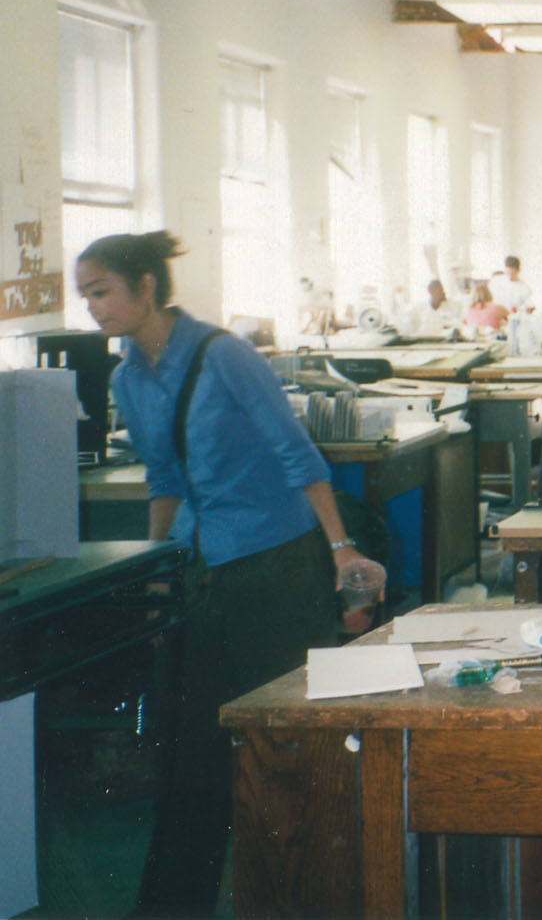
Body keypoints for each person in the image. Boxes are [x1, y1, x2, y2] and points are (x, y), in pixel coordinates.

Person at [74, 231, 362, 918]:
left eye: (102, 291)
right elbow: (165, 479)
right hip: (201, 570)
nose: (94, 309)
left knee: (287, 736)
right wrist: (153, 568)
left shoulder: (223, 355)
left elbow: (298, 455)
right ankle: (179, 903)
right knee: (193, 744)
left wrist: (342, 549)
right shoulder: (126, 378)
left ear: (147, 287)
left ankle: (311, 894)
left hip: (276, 564)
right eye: (86, 296)